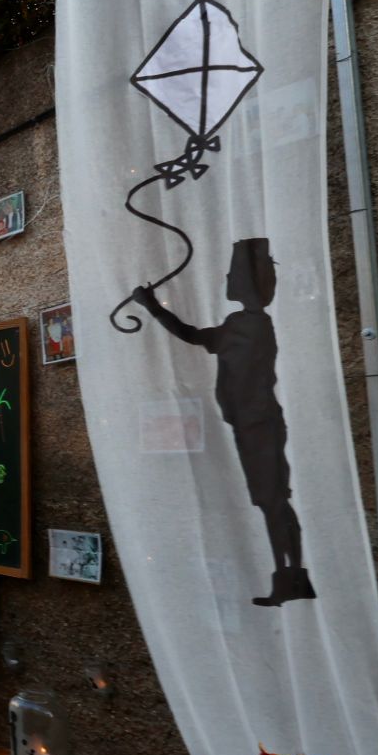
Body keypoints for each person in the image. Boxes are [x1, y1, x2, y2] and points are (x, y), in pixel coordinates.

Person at [131, 238, 313, 606]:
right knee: (274, 500)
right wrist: (151, 306)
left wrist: (150, 306)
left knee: (272, 500)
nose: (228, 279)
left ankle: (290, 577)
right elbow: (197, 337)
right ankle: (291, 576)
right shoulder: (248, 324)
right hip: (255, 423)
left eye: (234, 274)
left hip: (257, 424)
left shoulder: (247, 326)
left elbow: (192, 335)